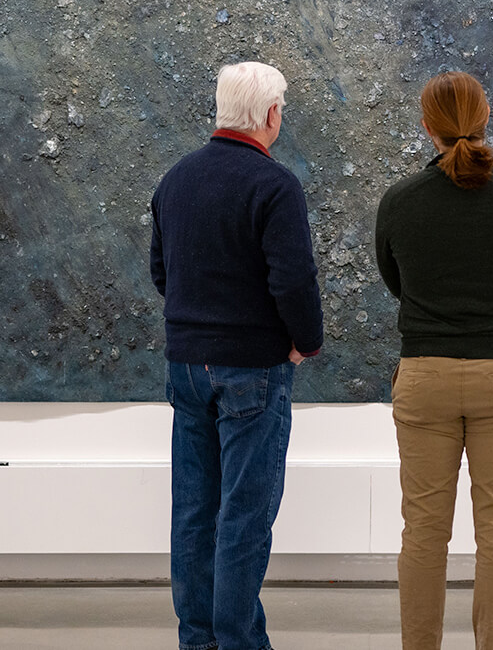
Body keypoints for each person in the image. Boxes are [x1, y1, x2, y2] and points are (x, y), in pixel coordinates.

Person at [374, 71, 493, 650]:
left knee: (424, 534)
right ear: (486, 122)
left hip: (424, 376)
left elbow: (395, 283)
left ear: (426, 128)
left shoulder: (400, 202)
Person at [150, 60, 324, 650]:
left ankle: (198, 641)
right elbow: (293, 280)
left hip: (186, 367)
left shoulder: (175, 179)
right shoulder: (274, 185)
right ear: (271, 115)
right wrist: (306, 340)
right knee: (244, 518)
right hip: (253, 370)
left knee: (194, 515)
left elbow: (161, 272)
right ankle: (238, 643)